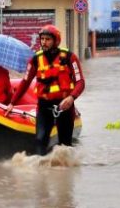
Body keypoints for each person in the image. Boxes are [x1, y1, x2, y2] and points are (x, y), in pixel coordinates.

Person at [6, 24, 85, 156]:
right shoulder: (35, 60)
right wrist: (12, 103)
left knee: (65, 145)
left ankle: (65, 174)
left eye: (48, 39)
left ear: (56, 41)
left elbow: (80, 82)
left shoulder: (70, 58)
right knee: (40, 140)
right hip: (44, 107)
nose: (44, 42)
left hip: (64, 106)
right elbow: (25, 82)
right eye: (42, 39)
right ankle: (41, 173)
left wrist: (71, 98)